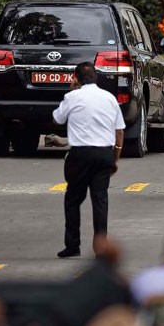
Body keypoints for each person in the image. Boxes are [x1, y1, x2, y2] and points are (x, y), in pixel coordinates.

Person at [53, 62, 125, 258]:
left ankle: (72, 245)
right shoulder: (109, 98)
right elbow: (119, 131)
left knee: (73, 200)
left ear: (75, 77)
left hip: (80, 155)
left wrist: (70, 93)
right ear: (96, 77)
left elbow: (57, 119)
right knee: (100, 200)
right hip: (104, 154)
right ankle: (101, 247)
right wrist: (115, 158)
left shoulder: (72, 96)